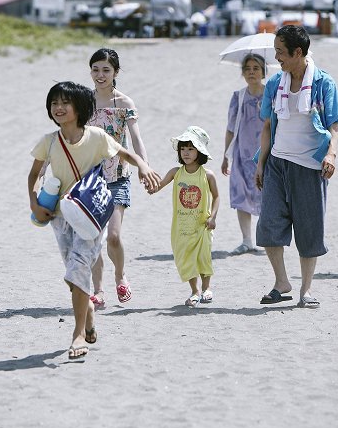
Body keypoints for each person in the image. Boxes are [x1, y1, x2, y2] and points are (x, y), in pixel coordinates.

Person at [27, 81, 160, 360]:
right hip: (60, 218)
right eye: (54, 103)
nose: (59, 108)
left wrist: (144, 166)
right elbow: (34, 174)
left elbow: (126, 153)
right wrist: (34, 202)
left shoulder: (97, 137)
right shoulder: (49, 141)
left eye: (65, 103)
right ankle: (87, 313)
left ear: (80, 107)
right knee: (74, 278)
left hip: (89, 217)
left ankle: (77, 336)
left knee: (77, 272)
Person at [254, 25, 338, 308]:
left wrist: (331, 155)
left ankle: (305, 291)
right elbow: (268, 125)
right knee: (268, 226)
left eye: (281, 51)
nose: (277, 57)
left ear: (298, 52)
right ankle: (282, 282)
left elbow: (334, 126)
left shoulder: (323, 83)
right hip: (277, 164)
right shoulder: (274, 84)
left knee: (309, 229)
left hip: (309, 165)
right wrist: (261, 164)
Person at [87, 48, 150, 310]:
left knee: (113, 236)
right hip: (89, 180)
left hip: (118, 177)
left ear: (116, 72)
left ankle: (120, 274)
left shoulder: (124, 103)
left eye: (106, 70)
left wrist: (144, 167)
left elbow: (136, 138)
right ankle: (99, 291)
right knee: (92, 239)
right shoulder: (83, 101)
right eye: (95, 69)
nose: (100, 75)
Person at [148, 126, 220, 307]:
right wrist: (150, 185)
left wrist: (213, 218)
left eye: (191, 148)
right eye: (183, 148)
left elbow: (217, 196)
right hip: (181, 227)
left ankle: (206, 288)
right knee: (186, 258)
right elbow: (158, 186)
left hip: (202, 225)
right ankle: (194, 291)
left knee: (204, 257)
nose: (186, 153)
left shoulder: (207, 175)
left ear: (199, 151)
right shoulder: (175, 172)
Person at [222, 53, 266, 255]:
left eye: (256, 68)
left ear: (263, 71)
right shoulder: (238, 97)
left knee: (267, 196)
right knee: (241, 195)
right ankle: (247, 240)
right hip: (241, 154)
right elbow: (231, 128)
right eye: (247, 68)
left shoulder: (271, 95)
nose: (251, 72)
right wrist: (225, 156)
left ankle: (267, 238)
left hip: (265, 154)